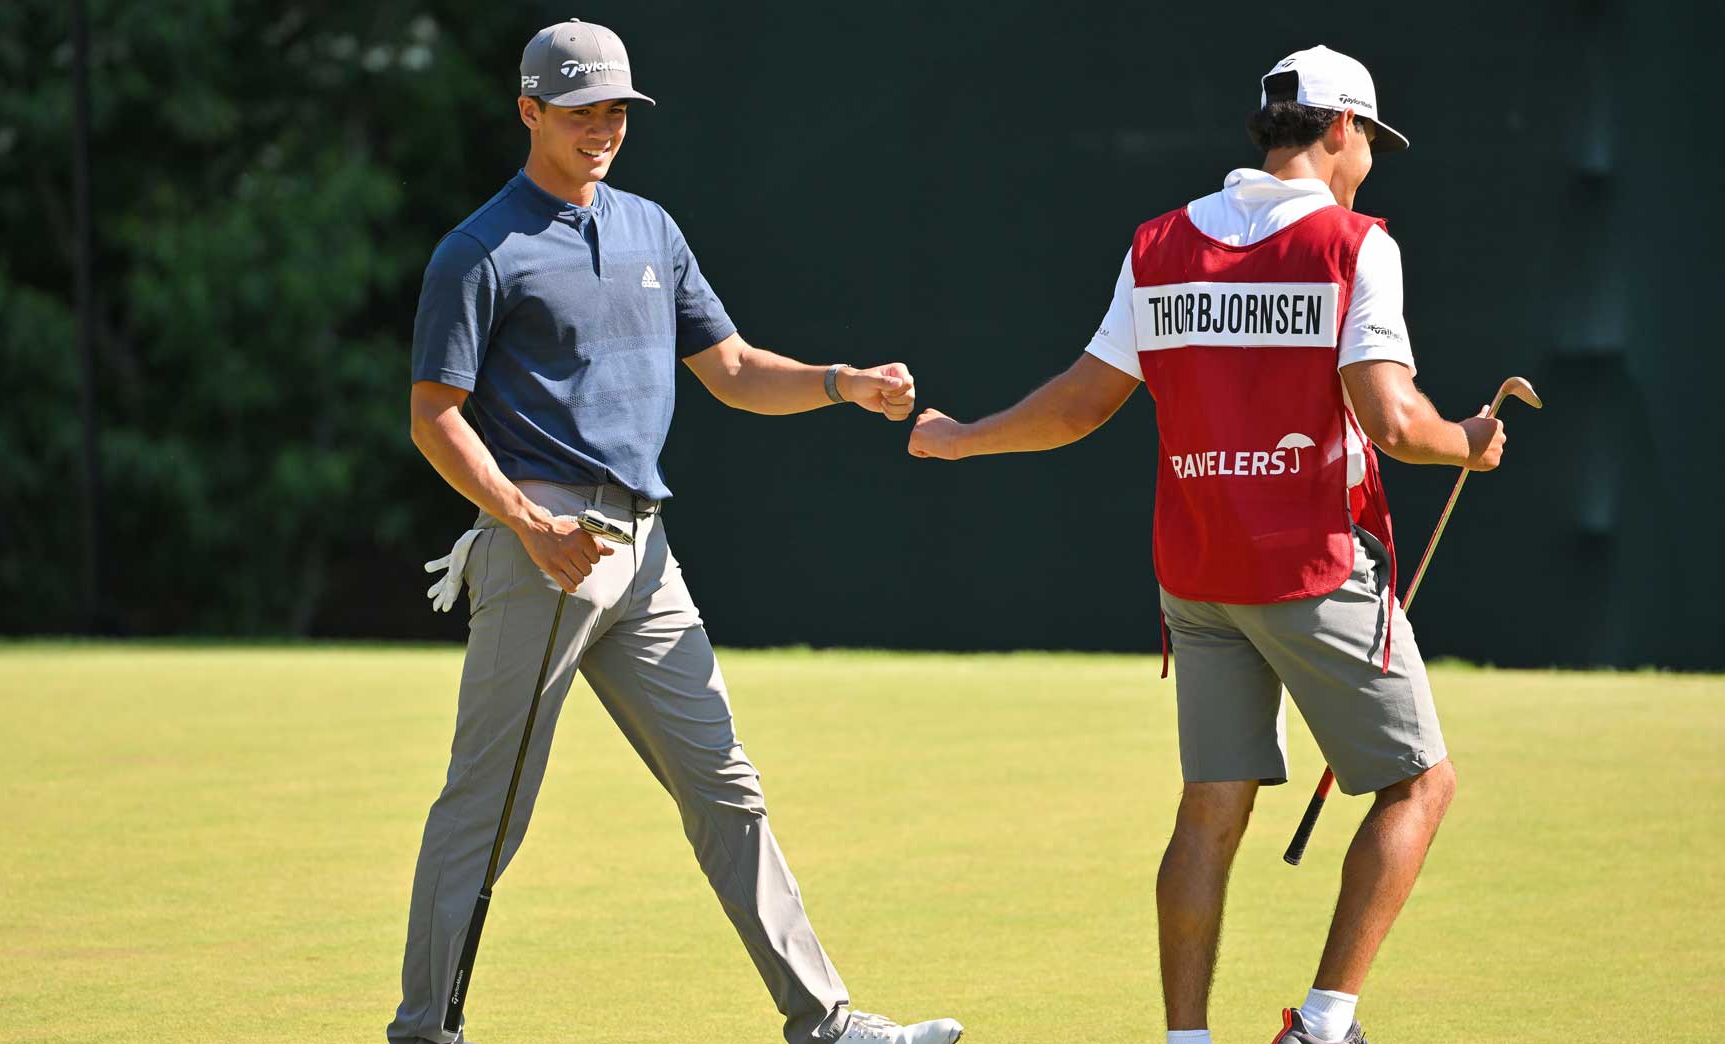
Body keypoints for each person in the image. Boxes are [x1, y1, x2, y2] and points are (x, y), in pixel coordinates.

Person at [907, 45, 1506, 1044]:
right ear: (1337, 132)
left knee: (1209, 808)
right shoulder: (1355, 245)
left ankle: (1186, 1039)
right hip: (1312, 569)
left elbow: (1078, 404)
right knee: (1419, 782)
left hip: (1198, 576)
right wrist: (1470, 445)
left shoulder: (1159, 244)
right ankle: (1322, 1025)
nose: (1365, 165)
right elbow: (1394, 424)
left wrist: (960, 437)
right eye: (1364, 143)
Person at [389, 19, 963, 1044]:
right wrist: (522, 523)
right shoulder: (478, 250)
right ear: (529, 112)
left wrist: (842, 385)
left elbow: (734, 372)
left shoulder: (652, 230)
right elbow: (435, 413)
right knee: (486, 809)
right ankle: (425, 1031)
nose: (602, 128)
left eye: (614, 109)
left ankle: (823, 1020)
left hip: (644, 558)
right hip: (541, 553)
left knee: (725, 785)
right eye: (579, 110)